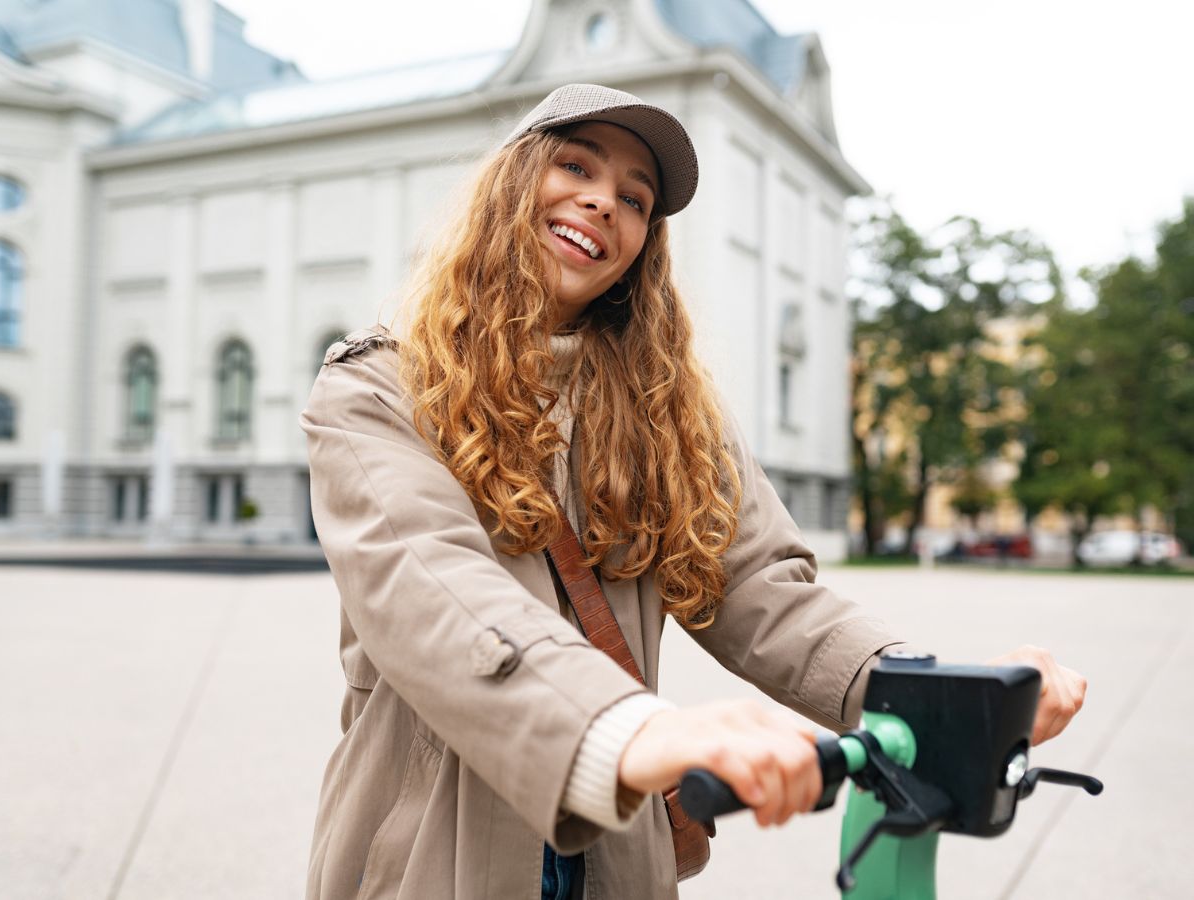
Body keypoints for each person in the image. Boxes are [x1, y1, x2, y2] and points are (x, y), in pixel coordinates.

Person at [300, 84, 1086, 900]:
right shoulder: (377, 387)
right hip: (428, 847)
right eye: (576, 164)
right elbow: (433, 594)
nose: (603, 200)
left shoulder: (669, 413)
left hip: (616, 854)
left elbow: (764, 591)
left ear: (644, 243)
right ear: (511, 184)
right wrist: (633, 729)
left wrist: (934, 694)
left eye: (635, 199)